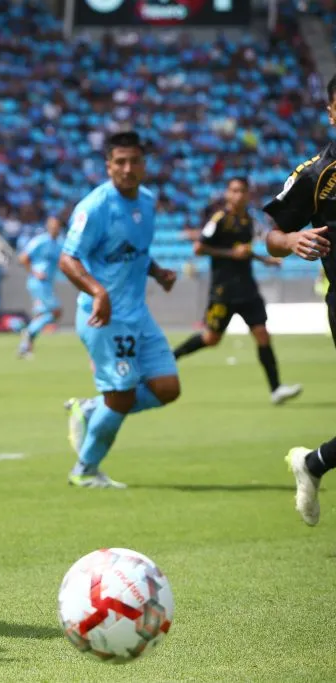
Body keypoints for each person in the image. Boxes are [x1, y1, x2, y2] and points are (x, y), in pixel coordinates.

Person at [59, 131, 181, 489]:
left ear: (144, 165)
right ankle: (85, 470)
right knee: (122, 396)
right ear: (108, 166)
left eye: (135, 162)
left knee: (167, 388)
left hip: (138, 314)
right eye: (120, 162)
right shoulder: (95, 207)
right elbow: (68, 259)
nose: (128, 169)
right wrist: (98, 291)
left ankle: (92, 409)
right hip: (104, 317)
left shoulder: (147, 201)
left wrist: (157, 272)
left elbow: (135, 251)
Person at [262, 73, 336, 527]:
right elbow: (270, 235)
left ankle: (313, 463)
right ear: (331, 112)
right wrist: (291, 240)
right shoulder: (316, 173)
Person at [172, 177, 301, 404]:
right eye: (234, 190)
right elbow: (199, 248)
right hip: (223, 291)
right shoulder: (219, 219)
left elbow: (245, 250)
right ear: (227, 194)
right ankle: (170, 358)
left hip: (247, 289)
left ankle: (276, 389)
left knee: (262, 334)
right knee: (211, 338)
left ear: (248, 194)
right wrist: (230, 253)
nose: (238, 195)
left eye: (242, 191)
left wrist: (265, 261)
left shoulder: (249, 220)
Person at [17, 216, 64, 359]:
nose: (55, 229)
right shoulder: (40, 241)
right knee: (56, 312)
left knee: (40, 315)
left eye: (57, 226)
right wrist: (35, 272)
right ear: (48, 227)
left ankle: (25, 348)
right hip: (39, 283)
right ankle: (29, 331)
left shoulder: (60, 244)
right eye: (53, 226)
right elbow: (23, 257)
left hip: (47, 283)